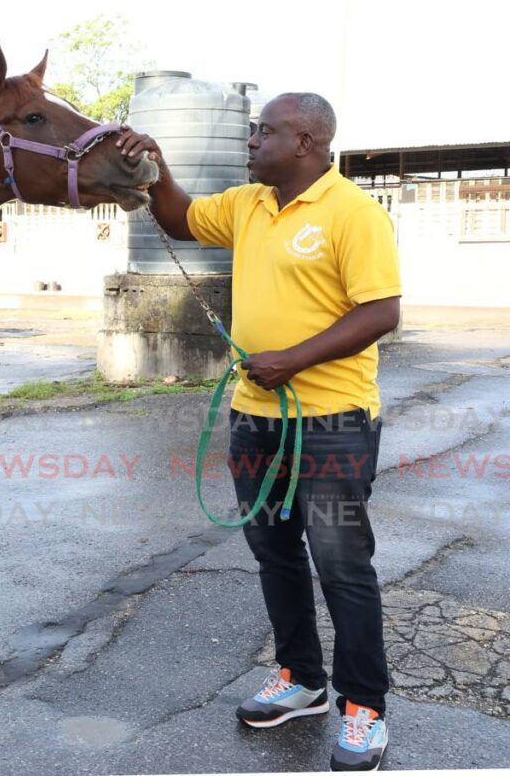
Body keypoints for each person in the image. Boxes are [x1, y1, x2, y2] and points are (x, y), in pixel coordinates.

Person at [118, 92, 400, 772]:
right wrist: (153, 165)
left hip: (331, 423)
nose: (251, 142)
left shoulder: (352, 213)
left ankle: (364, 706)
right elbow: (181, 217)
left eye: (263, 132)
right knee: (274, 552)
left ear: (306, 141)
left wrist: (293, 359)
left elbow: (381, 310)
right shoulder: (249, 204)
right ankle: (302, 679)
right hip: (257, 420)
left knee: (341, 564)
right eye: (251, 132)